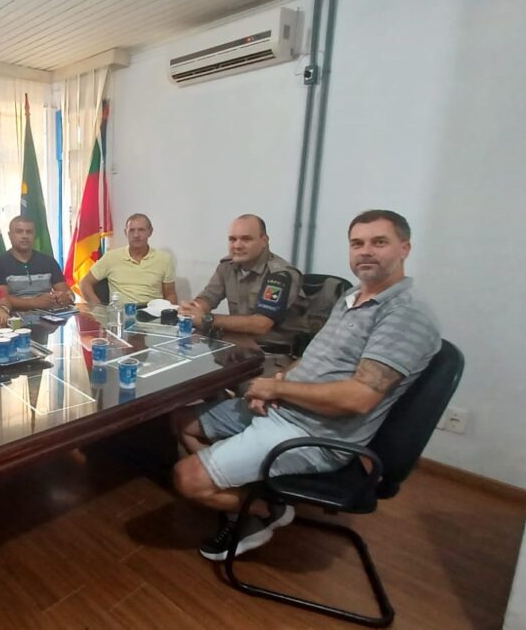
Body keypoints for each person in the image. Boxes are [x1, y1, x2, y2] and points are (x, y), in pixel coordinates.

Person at [171, 210, 440, 561]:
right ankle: (241, 481)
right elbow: (312, 358)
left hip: (314, 432)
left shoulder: (405, 314)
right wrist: (279, 381)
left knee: (186, 478)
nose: (365, 251)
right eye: (357, 243)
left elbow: (358, 398)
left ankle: (265, 510)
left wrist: (276, 390)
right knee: (180, 419)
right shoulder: (353, 298)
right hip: (282, 405)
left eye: (379, 242)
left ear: (404, 248)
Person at [179, 214, 306, 336]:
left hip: (274, 347)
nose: (237, 246)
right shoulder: (227, 266)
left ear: (264, 241)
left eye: (246, 239)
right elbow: (208, 297)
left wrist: (207, 319)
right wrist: (192, 309)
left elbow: (261, 324)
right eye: (232, 239)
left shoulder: (280, 274)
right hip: (238, 341)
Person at [79, 213, 178, 305]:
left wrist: (170, 314)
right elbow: (85, 283)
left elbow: (170, 294)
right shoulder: (111, 257)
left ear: (150, 232)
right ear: (125, 233)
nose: (136, 235)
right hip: (120, 315)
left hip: (151, 315)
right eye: (131, 230)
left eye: (141, 230)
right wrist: (98, 309)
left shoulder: (164, 259)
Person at [0, 216, 74, 310]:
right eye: (19, 231)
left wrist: (65, 297)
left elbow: (68, 293)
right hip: (15, 316)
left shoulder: (49, 261)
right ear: (10, 235)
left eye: (29, 232)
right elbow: (1, 299)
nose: (25, 236)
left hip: (49, 314)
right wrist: (34, 302)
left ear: (34, 235)